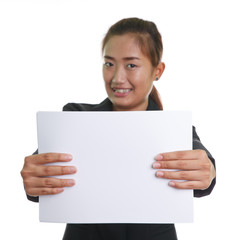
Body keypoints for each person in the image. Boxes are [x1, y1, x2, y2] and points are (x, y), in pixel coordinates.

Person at [21, 17, 216, 240]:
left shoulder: (173, 129)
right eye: (109, 64)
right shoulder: (76, 118)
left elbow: (203, 164)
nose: (117, 78)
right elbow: (40, 180)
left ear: (157, 71)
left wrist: (209, 170)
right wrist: (33, 178)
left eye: (131, 65)